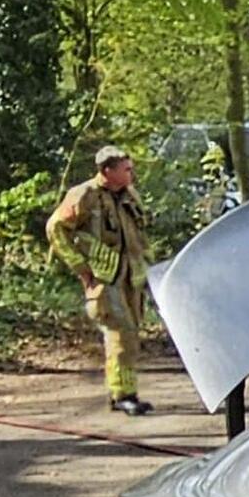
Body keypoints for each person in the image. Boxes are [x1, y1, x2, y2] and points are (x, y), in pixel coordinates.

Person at [48, 144, 157, 414]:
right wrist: (80, 266)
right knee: (121, 332)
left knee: (131, 334)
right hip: (104, 279)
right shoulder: (84, 195)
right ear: (107, 171)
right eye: (126, 169)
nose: (132, 173)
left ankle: (125, 391)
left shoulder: (130, 195)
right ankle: (123, 395)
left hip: (131, 278)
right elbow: (56, 228)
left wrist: (150, 267)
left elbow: (140, 235)